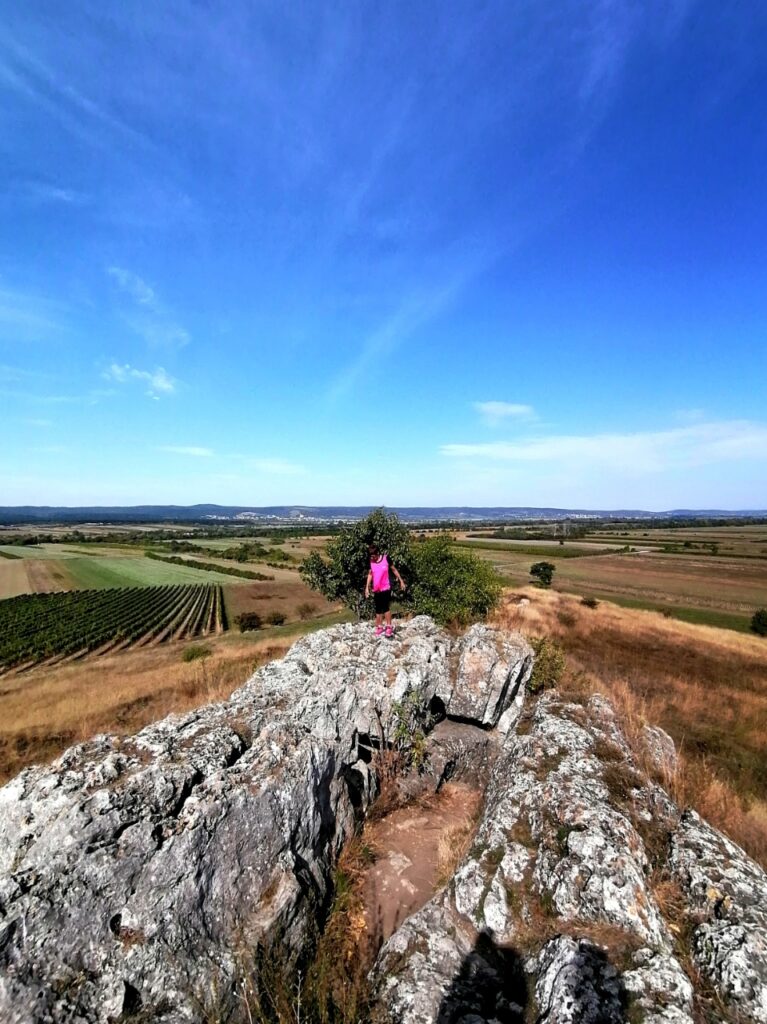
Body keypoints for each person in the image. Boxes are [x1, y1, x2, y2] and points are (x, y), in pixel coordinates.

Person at [364, 544, 406, 637]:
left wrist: (401, 580)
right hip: (376, 589)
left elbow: (394, 569)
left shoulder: (386, 558)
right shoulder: (371, 562)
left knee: (385, 607)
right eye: (370, 556)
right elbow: (370, 574)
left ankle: (389, 627)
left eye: (373, 556)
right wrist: (367, 587)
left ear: (377, 553)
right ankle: (379, 627)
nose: (372, 557)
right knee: (378, 609)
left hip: (386, 587)